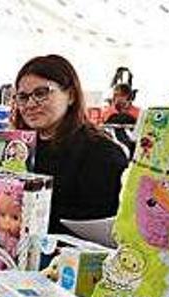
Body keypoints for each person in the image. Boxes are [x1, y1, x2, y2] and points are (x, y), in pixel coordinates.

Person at [11, 54, 129, 234]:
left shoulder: (102, 153)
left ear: (71, 95)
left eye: (41, 93)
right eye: (22, 97)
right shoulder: (19, 149)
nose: (30, 104)